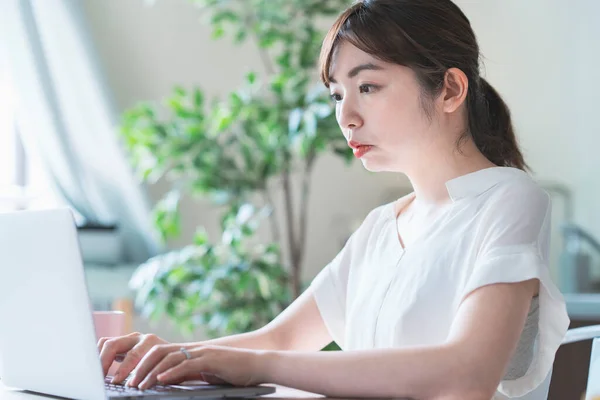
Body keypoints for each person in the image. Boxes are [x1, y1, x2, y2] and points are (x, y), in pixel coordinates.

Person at [98, 1, 569, 398]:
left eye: (367, 87)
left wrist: (259, 366)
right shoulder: (382, 227)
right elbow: (281, 338)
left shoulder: (509, 199)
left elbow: (466, 372)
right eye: (336, 94)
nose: (346, 115)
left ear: (449, 89)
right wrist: (174, 356)